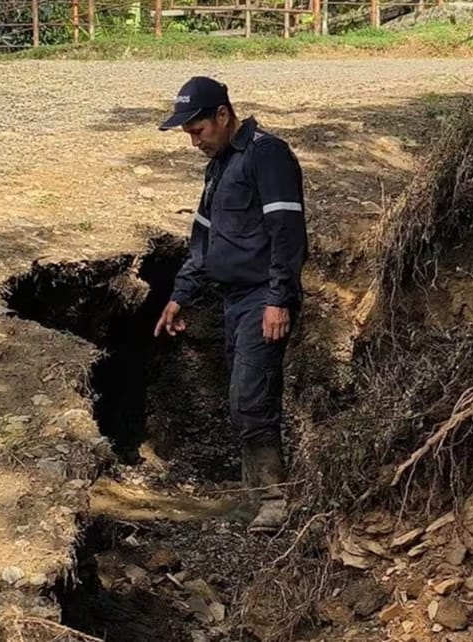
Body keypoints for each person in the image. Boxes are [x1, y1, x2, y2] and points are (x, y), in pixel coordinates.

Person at [153, 76, 308, 533]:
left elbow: (287, 233)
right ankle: (251, 499)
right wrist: (181, 295)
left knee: (251, 396)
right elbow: (204, 242)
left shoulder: (267, 154)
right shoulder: (219, 166)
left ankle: (275, 500)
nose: (194, 141)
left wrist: (279, 298)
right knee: (242, 399)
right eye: (188, 135)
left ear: (223, 115)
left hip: (263, 297)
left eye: (197, 130)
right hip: (233, 300)